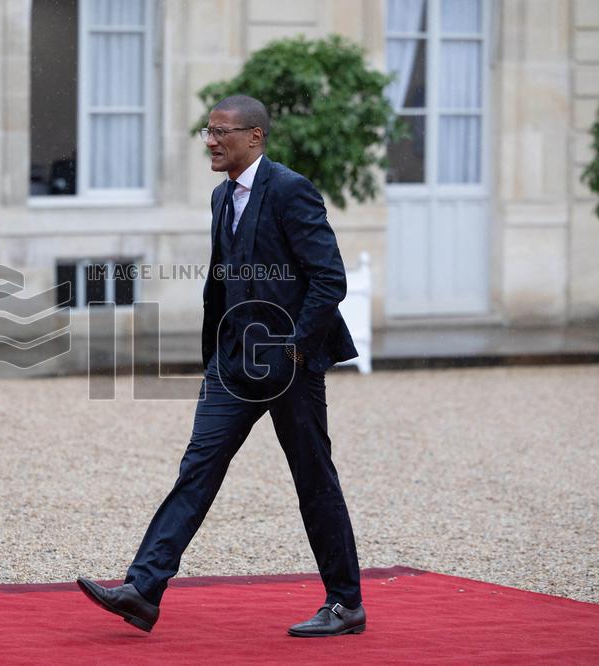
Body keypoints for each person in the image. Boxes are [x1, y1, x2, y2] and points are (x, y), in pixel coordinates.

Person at [77, 95, 365, 637]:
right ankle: (143, 589)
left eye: (221, 132)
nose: (210, 141)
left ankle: (346, 604)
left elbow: (330, 280)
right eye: (208, 132)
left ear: (254, 137)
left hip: (289, 365)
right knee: (198, 468)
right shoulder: (220, 197)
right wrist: (213, 356)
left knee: (313, 479)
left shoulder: (290, 190)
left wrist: (295, 348)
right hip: (233, 366)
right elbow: (221, 280)